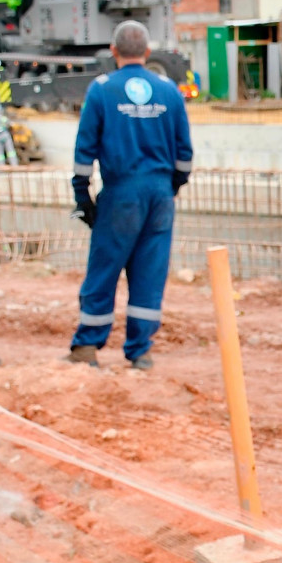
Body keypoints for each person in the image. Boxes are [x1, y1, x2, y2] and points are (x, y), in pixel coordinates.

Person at [66, 20, 193, 371]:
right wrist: (171, 188)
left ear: (113, 51)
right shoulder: (169, 91)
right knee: (150, 273)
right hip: (159, 195)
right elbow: (185, 154)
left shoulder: (102, 90)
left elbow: (83, 153)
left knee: (104, 269)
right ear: (148, 53)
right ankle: (140, 352)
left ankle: (87, 348)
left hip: (121, 194)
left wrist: (83, 199)